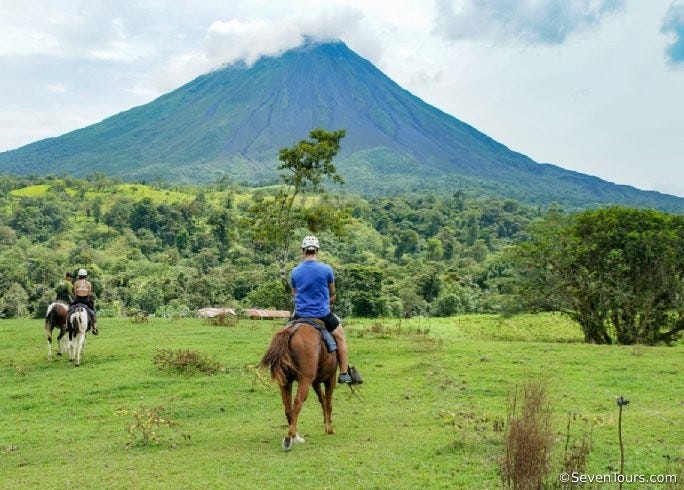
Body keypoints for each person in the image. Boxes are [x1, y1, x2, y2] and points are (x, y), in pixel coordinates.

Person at [290, 235, 353, 384]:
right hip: (322, 314)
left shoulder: (295, 272)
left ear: (302, 251)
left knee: (285, 333)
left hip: (299, 314)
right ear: (317, 250)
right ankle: (344, 373)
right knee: (340, 337)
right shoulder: (326, 269)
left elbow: (294, 294)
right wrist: (328, 300)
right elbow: (332, 292)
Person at [72, 268, 98, 333]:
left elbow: (75, 294)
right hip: (86, 301)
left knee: (69, 309)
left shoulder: (76, 283)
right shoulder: (89, 283)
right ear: (85, 276)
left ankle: (66, 325)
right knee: (93, 312)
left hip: (78, 300)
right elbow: (89, 294)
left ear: (79, 276)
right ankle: (94, 328)